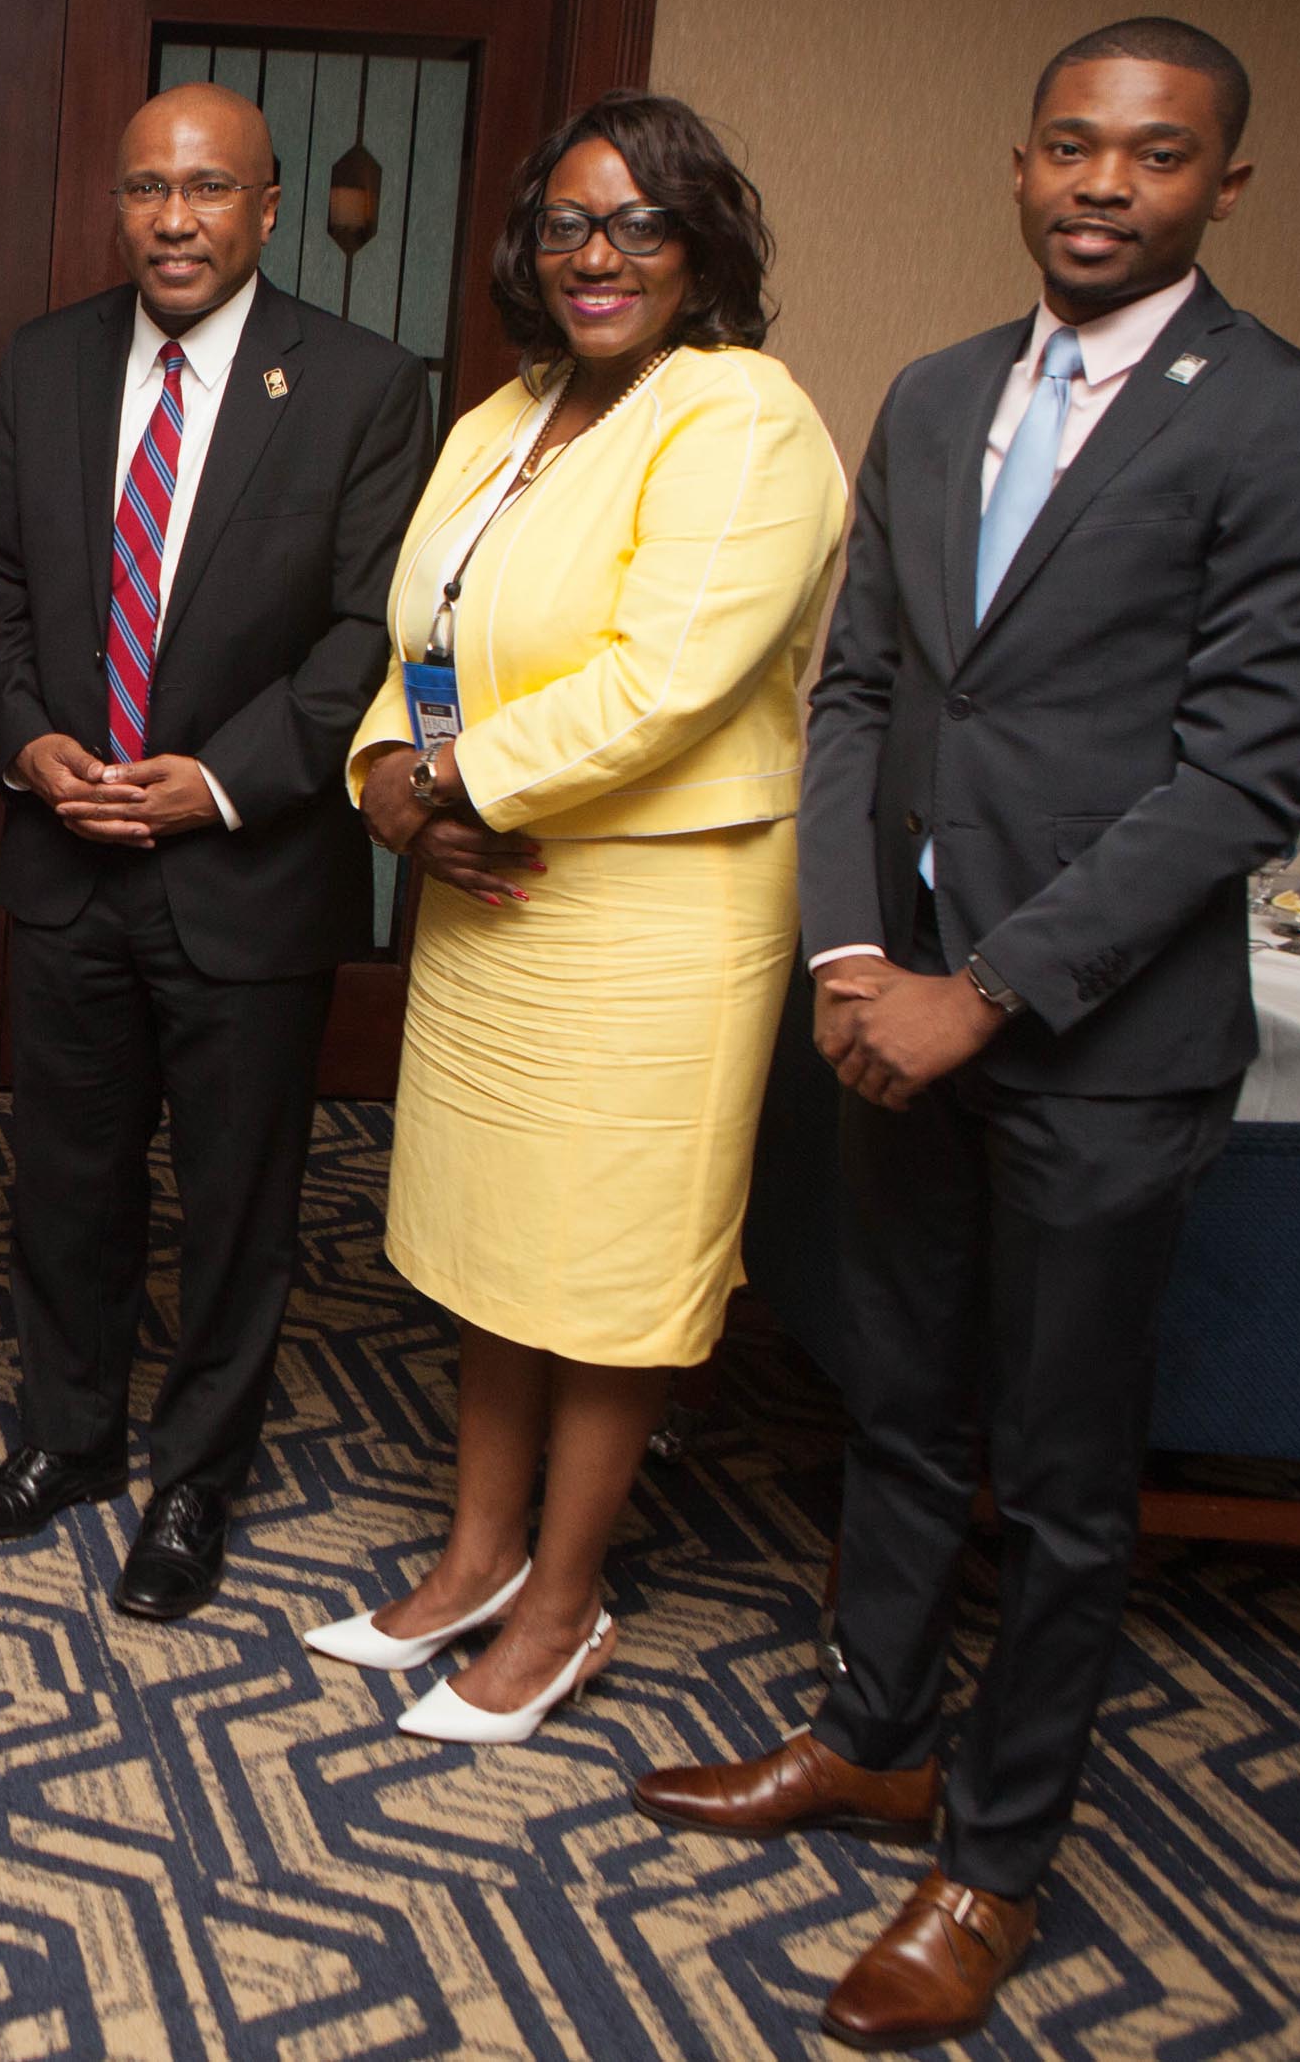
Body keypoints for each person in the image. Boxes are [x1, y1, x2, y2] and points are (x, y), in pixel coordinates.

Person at [633, 19, 1300, 2049]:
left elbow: (1239, 778)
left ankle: (992, 1854)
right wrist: (849, 959)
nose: (1099, 185)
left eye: (1151, 157)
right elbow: (860, 689)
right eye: (1069, 145)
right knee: (895, 1400)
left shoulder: (1293, 421)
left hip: (1098, 1046)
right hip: (897, 1012)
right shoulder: (942, 389)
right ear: (1017, 158)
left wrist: (994, 990)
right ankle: (872, 1735)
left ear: (1222, 185)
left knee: (1061, 1478)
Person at [313, 93, 846, 1738]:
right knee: (493, 1249)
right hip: (489, 898)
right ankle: (475, 1555)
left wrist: (452, 787)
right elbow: (419, 632)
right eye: (567, 226)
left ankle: (563, 1601)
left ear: (703, 247)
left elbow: (666, 680)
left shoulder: (742, 416)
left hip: (653, 910)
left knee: (606, 1272)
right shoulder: (505, 413)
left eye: (638, 225)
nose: (597, 256)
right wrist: (388, 780)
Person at [0, 82, 429, 1620]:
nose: (173, 217)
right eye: (146, 186)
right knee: (66, 1183)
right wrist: (26, 741)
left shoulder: (361, 385)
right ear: (118, 203)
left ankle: (196, 1480)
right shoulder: (47, 363)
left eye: (209, 189)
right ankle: (69, 1443)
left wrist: (215, 784)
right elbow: (1, 584)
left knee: (239, 1202)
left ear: (269, 209)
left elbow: (370, 630)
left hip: (247, 866)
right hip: (67, 853)